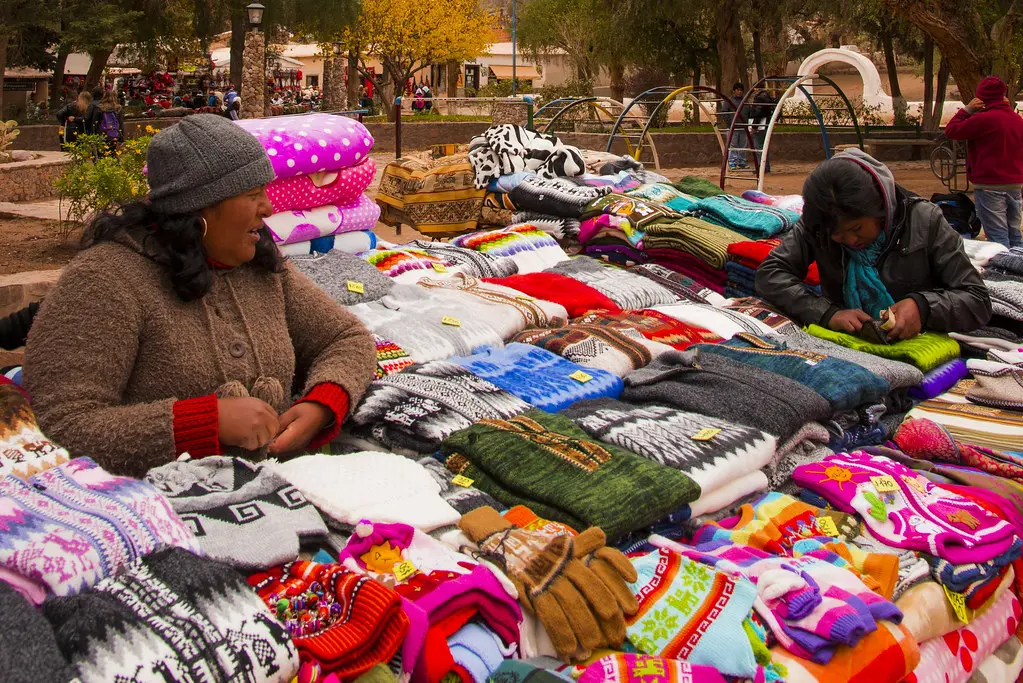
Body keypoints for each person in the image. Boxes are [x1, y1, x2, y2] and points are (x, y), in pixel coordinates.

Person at [22, 114, 376, 478]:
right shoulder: (104, 281)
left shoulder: (261, 267)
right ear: (200, 208)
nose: (268, 208)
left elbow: (345, 338)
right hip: (161, 517)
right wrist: (197, 424)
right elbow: (60, 424)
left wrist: (324, 400)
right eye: (253, 195)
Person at [756, 148, 991, 340]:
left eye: (856, 229)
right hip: (847, 345)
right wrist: (827, 314)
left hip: (922, 343)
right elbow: (771, 273)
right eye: (837, 235)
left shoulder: (924, 220)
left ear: (880, 208)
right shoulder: (817, 225)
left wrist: (923, 307)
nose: (849, 240)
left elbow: (976, 299)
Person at [944, 76, 1023, 249]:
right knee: (1015, 233)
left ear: (981, 98)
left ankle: (1002, 274)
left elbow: (951, 130)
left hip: (989, 185)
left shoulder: (983, 120)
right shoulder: (1017, 120)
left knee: (998, 237)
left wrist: (967, 110)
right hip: (1015, 184)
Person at [721, 83, 749, 170]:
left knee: (743, 145)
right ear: (734, 91)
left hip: (743, 126)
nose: (739, 92)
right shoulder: (729, 101)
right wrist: (730, 123)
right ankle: (732, 162)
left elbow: (748, 112)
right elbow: (724, 113)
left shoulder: (745, 101)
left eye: (741, 90)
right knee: (733, 145)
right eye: (737, 90)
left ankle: (742, 162)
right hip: (733, 127)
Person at [751, 88, 777, 173]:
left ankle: (761, 167)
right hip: (767, 124)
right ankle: (766, 166)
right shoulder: (769, 98)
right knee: (764, 146)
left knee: (759, 146)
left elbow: (758, 112)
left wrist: (754, 126)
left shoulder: (759, 98)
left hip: (760, 125)